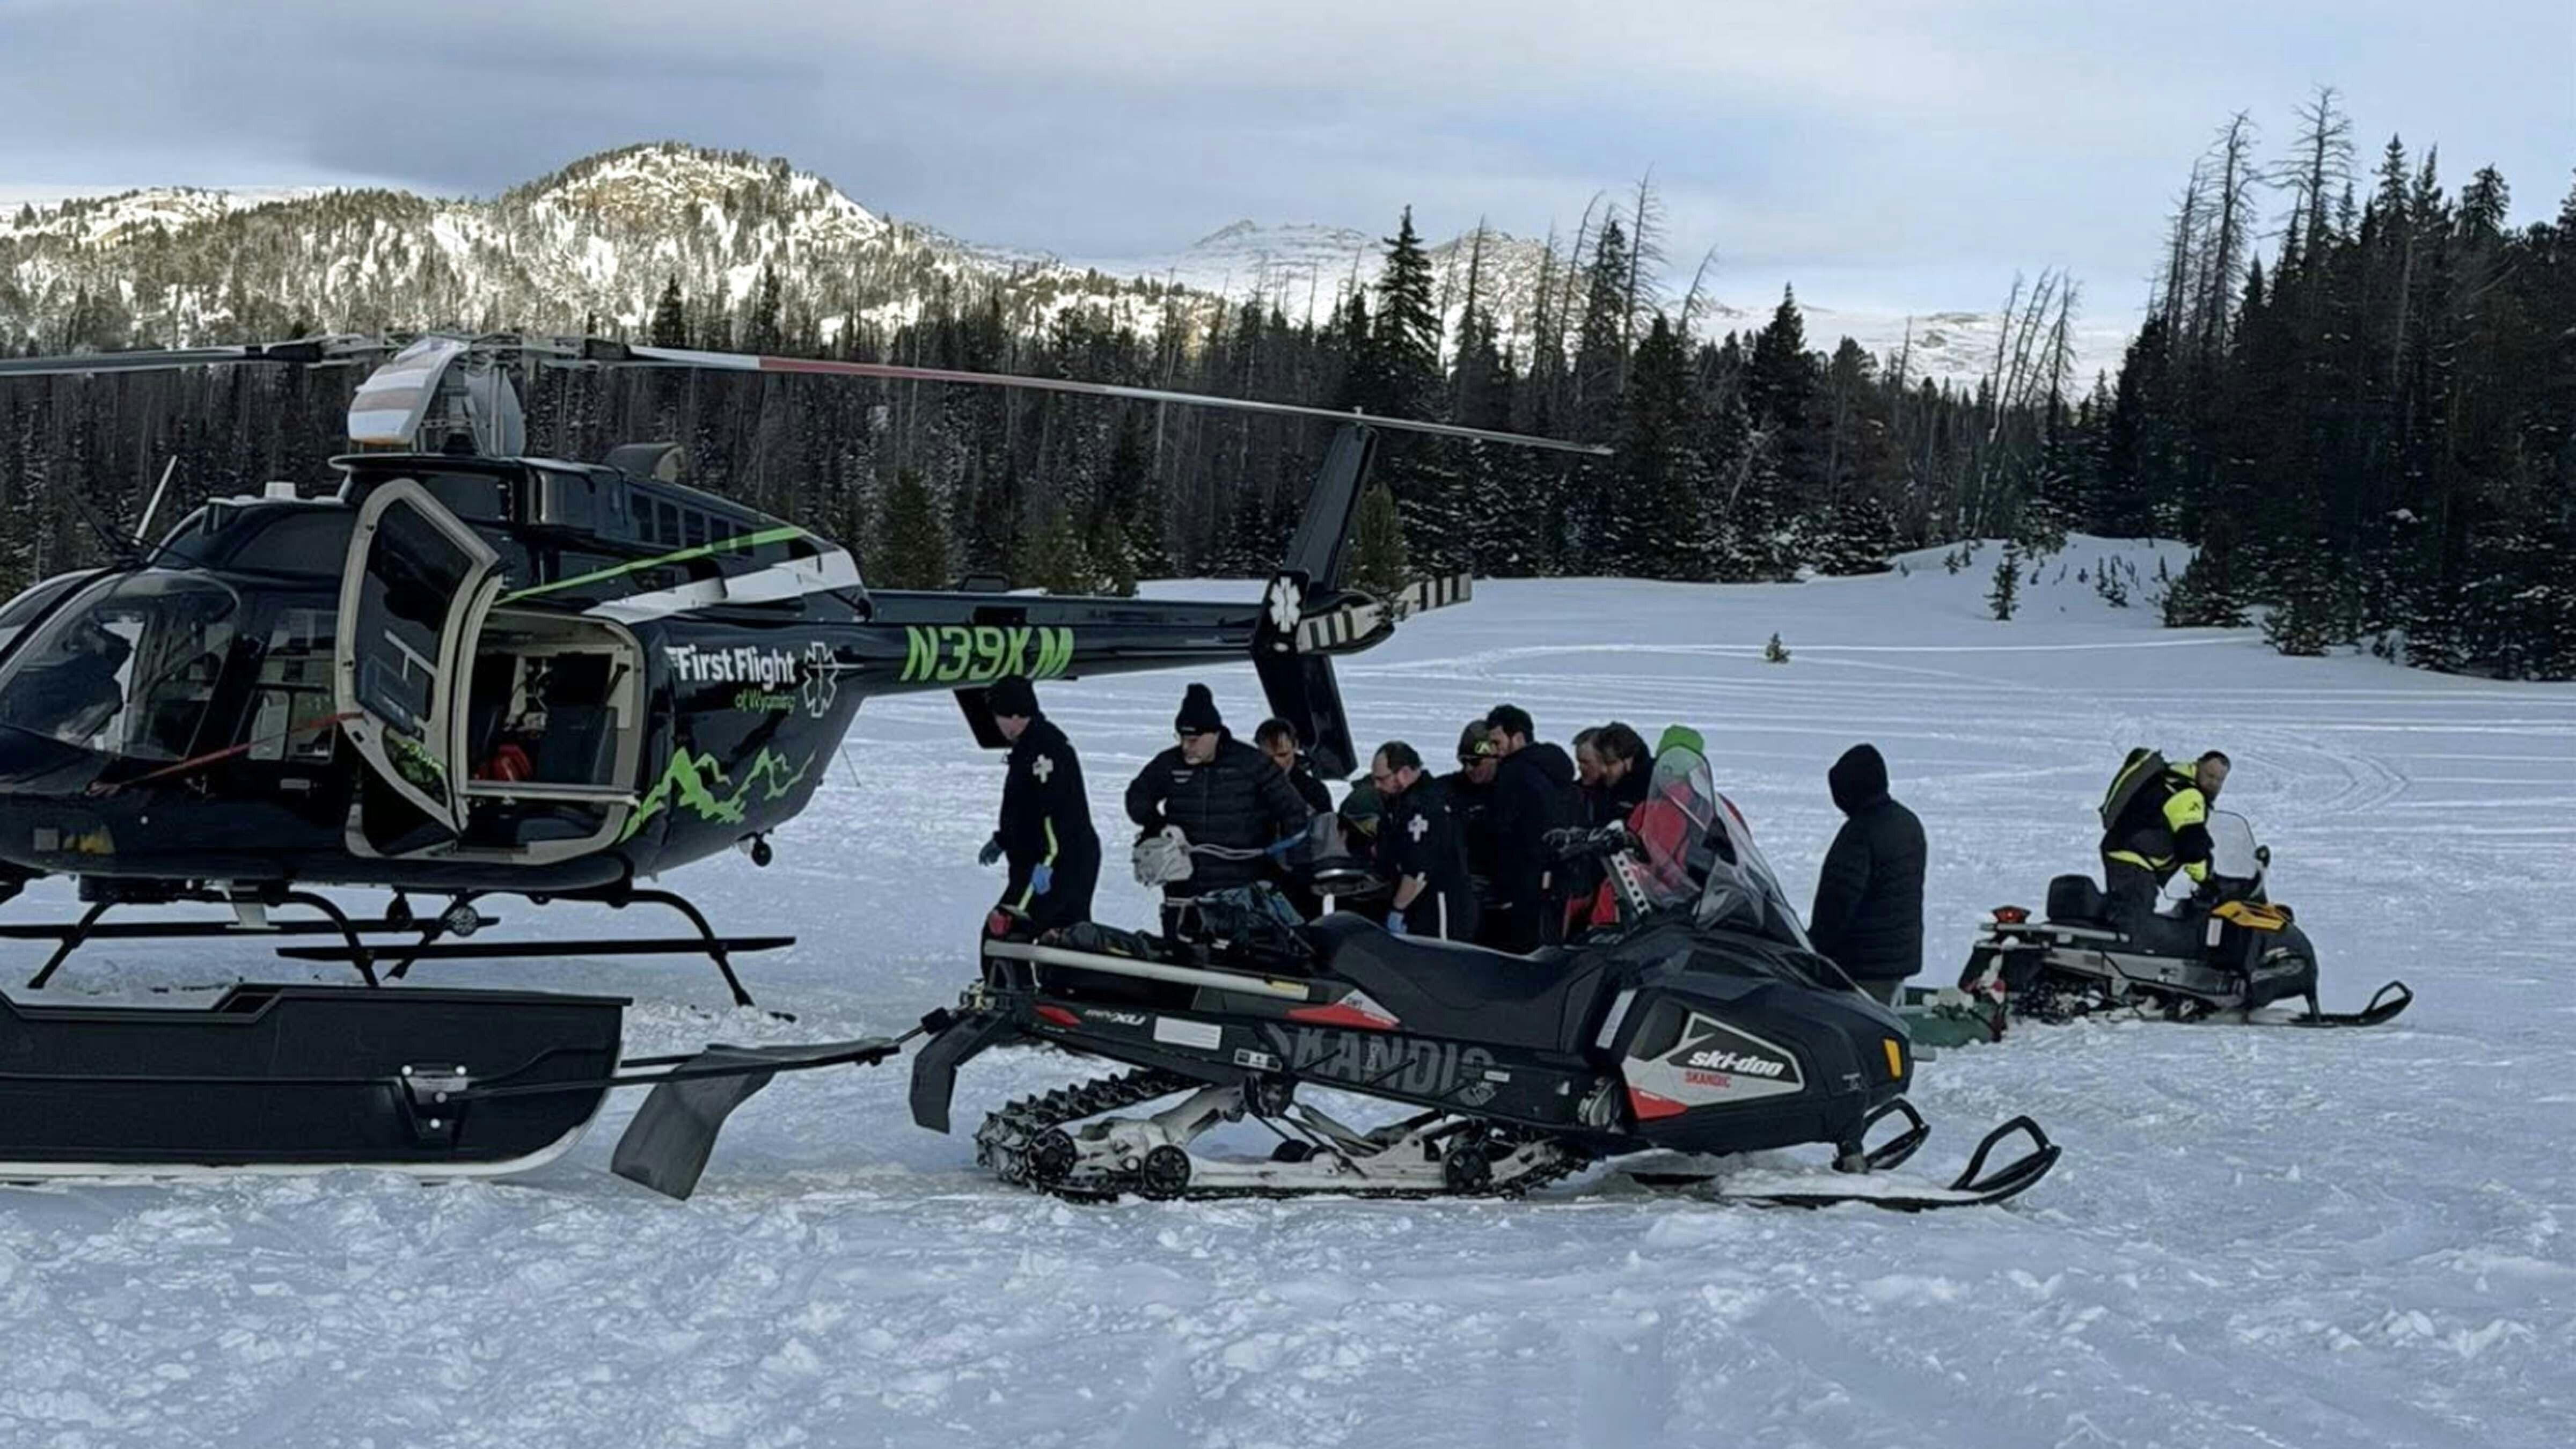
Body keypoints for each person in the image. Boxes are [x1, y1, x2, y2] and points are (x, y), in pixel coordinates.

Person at [1125, 683, 1314, 936]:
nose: (1186, 747)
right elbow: (1137, 796)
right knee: (1180, 953)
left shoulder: (1251, 763)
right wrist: (1154, 824)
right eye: (1181, 738)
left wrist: (1297, 868)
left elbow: (1292, 809)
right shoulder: (1169, 764)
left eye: (1194, 740)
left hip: (1242, 885)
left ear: (1214, 734)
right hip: (1184, 885)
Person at [977, 677, 1101, 934]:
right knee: (1064, 935)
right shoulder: (1030, 745)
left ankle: (1001, 976)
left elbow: (1054, 814)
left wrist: (1048, 862)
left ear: (1014, 716)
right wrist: (1003, 840)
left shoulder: (1045, 750)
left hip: (1056, 860)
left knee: (1004, 929)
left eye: (998, 716)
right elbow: (1023, 810)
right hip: (1058, 857)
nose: (995, 723)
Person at [1806, 743, 1927, 1004]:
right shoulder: (1907, 821)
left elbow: (1837, 902)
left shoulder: (1859, 834)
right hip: (1897, 957)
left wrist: (1814, 950)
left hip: (1862, 964)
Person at [2098, 748, 2230, 950]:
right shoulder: (2188, 795)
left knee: (2122, 913)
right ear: (2198, 765)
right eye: (2210, 775)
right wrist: (2204, 879)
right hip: (2136, 860)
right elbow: (2192, 843)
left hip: (2122, 851)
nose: (2214, 783)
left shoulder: (2169, 780)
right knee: (2134, 925)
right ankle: (2121, 972)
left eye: (2220, 780)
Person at [1481, 703, 1576, 952]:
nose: (1494, 751)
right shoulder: (1553, 770)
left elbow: (1501, 827)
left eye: (1497, 743)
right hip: (1557, 874)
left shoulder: (1514, 774)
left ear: (1518, 738)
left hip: (1524, 879)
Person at [1370, 741, 1480, 941]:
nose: (1377, 786)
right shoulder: (1410, 802)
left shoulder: (1424, 807)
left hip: (1440, 909)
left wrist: (1398, 909)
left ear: (1403, 773)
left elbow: (1419, 870)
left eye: (1382, 779)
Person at [1253, 717, 1334, 814]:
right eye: (1267, 757)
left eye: (1282, 755)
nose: (1276, 763)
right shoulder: (1245, 785)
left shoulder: (1314, 792)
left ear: (1295, 746)